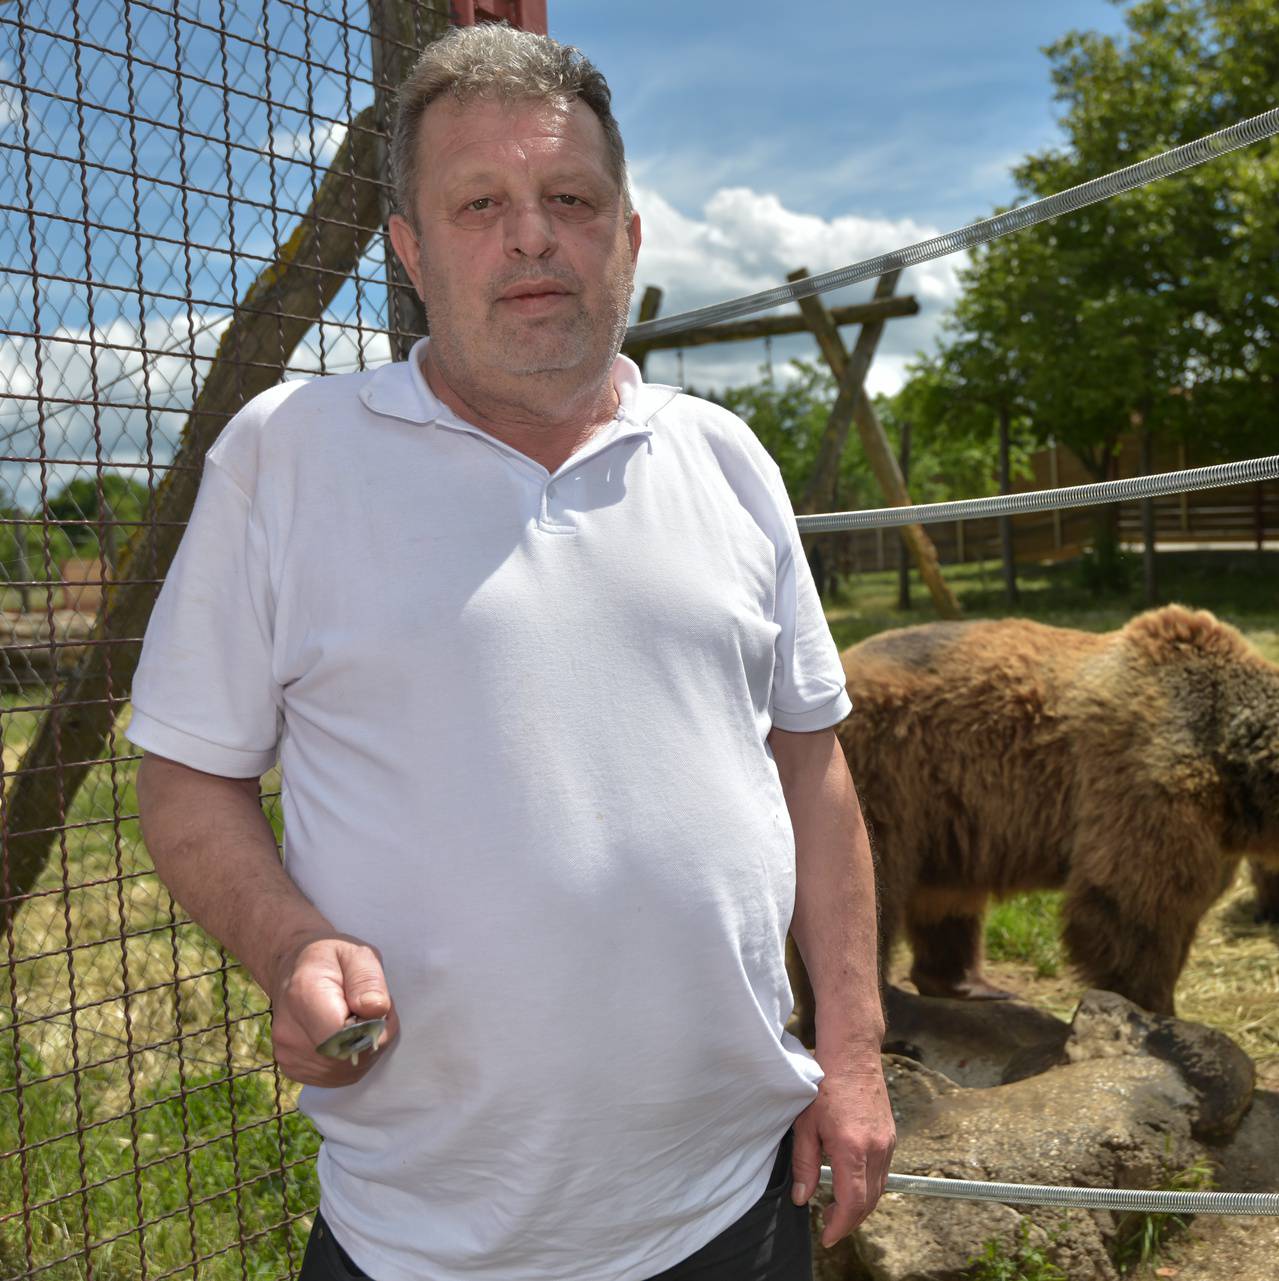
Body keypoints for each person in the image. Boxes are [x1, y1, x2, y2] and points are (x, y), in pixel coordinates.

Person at [130, 23, 892, 1281]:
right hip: (425, 1235)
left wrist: (856, 1061)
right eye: (479, 203)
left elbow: (812, 774)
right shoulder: (289, 457)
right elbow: (183, 780)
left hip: (735, 1205)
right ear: (413, 253)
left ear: (628, 236)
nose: (532, 234)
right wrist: (286, 943)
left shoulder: (726, 458)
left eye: (570, 199)